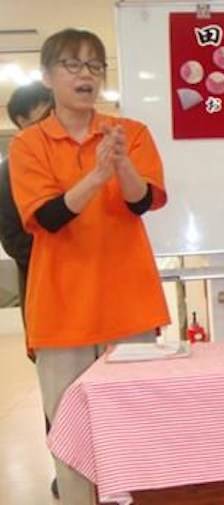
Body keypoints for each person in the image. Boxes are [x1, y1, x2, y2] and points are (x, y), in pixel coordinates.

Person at [9, 28, 170, 505]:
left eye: (95, 66)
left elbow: (141, 201)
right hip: (62, 313)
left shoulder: (130, 134)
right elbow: (49, 217)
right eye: (72, 65)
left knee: (135, 425)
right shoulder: (29, 145)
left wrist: (118, 166)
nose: (86, 76)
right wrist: (96, 174)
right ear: (47, 76)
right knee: (71, 436)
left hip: (131, 306)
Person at [0, 81, 60, 498]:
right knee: (57, 390)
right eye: (36, 121)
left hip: (103, 296)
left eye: (50, 115)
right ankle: (67, 469)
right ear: (21, 126)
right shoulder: (7, 172)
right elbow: (15, 241)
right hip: (46, 296)